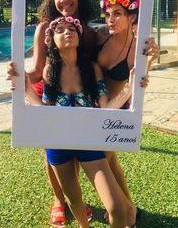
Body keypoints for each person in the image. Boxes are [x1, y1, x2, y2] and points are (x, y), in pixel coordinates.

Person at [10, 16, 137, 228]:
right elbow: (45, 112)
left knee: (117, 208)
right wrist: (24, 87)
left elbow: (105, 108)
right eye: (59, 30)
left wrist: (130, 87)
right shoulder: (49, 71)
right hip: (58, 145)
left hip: (89, 143)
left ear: (79, 36)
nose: (67, 31)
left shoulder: (92, 68)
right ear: (52, 40)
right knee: (74, 200)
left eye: (71, 28)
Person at [96, 0, 160, 221]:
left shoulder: (139, 47)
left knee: (104, 158)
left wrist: (148, 66)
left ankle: (126, 211)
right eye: (108, 14)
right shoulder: (100, 36)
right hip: (92, 103)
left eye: (118, 14)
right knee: (108, 160)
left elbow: (138, 83)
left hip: (117, 106)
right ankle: (127, 205)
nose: (110, 20)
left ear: (132, 16)